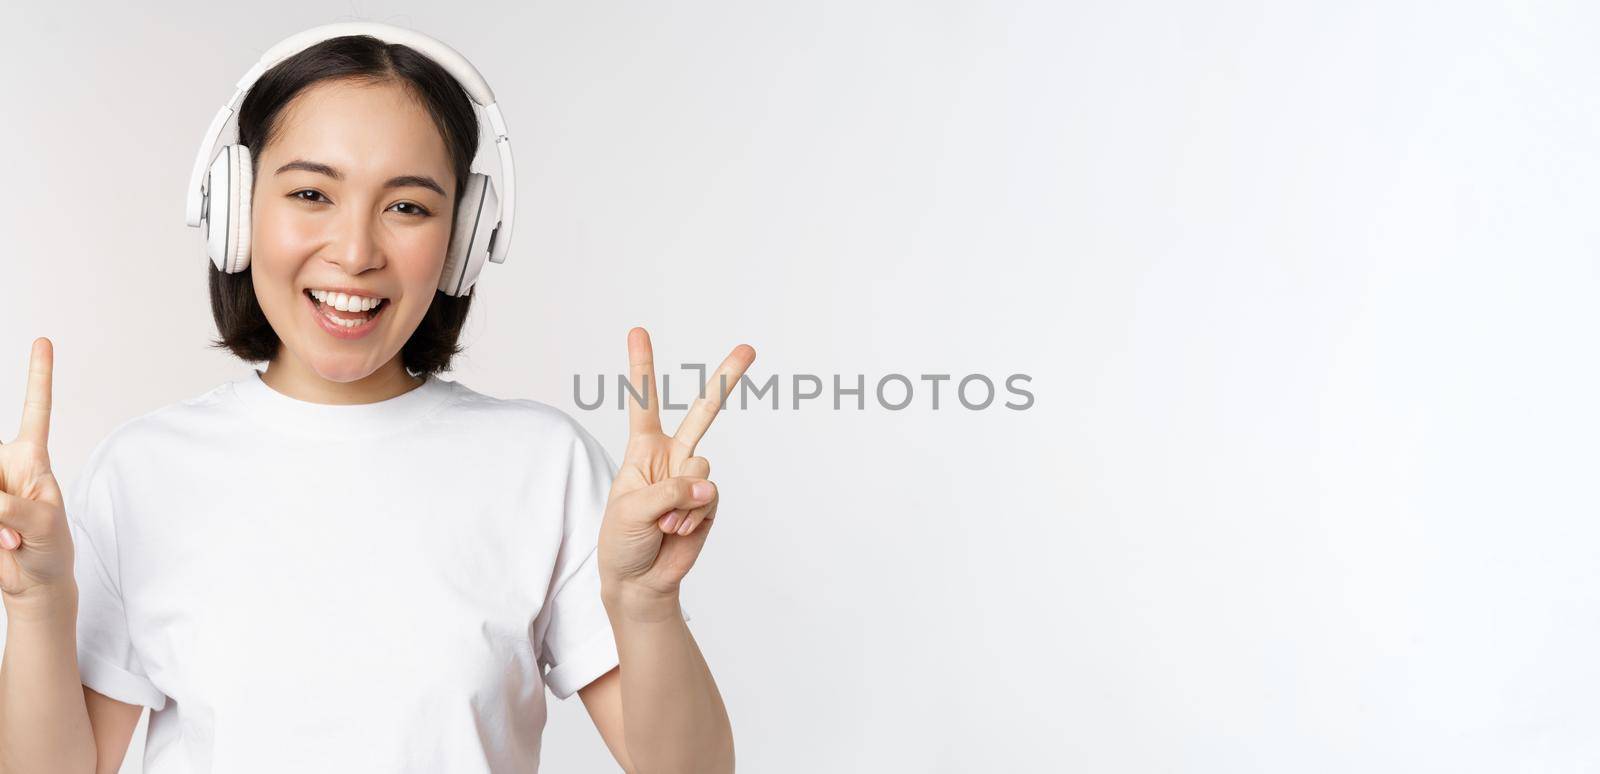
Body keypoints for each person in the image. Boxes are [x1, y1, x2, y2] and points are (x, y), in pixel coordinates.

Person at [0, 29, 750, 773]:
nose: (356, 252)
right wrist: (36, 605)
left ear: (462, 241)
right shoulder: (142, 472)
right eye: (309, 194)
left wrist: (646, 605)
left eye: (409, 208)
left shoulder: (544, 466)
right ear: (236, 210)